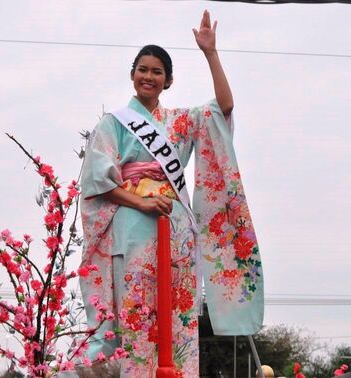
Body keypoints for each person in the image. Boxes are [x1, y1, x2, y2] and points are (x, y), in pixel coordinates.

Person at [79, 10, 264, 377]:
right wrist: (142, 202)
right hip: (132, 225)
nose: (148, 76)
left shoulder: (181, 120)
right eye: (142, 69)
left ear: (168, 81)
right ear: (132, 75)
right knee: (136, 309)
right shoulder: (113, 123)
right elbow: (98, 181)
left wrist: (211, 53)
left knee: (175, 312)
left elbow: (223, 108)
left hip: (175, 225)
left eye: (157, 72)